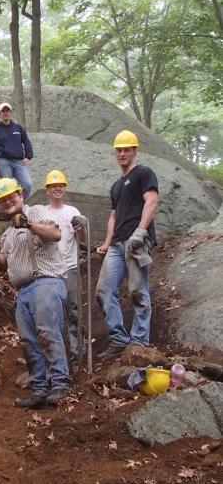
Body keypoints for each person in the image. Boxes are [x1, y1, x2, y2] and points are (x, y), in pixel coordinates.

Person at [0, 177, 71, 408]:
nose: (7, 202)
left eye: (11, 197)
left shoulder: (37, 212)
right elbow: (4, 265)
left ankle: (60, 384)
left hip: (45, 281)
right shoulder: (8, 233)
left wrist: (28, 224)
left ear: (21, 195)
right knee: (29, 341)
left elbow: (55, 234)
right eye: (2, 200)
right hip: (22, 291)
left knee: (47, 332)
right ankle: (40, 390)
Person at [96, 130, 159, 359]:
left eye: (127, 149)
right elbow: (113, 216)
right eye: (119, 149)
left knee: (137, 290)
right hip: (117, 244)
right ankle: (119, 340)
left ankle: (139, 342)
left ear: (135, 150)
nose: (122, 153)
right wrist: (106, 243)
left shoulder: (144, 173)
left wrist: (141, 231)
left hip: (137, 242)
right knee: (104, 290)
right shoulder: (116, 186)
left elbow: (151, 201)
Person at [44, 170, 88, 369]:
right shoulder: (43, 213)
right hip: (50, 270)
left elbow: (83, 241)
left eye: (60, 185)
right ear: (47, 190)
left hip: (70, 268)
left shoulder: (73, 212)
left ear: (65, 188)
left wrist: (82, 227)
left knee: (75, 312)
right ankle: (57, 360)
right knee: (54, 315)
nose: (57, 189)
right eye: (53, 186)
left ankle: (78, 356)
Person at [0, 102, 34, 199]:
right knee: (8, 188)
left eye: (7, 110)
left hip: (18, 161)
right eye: (3, 111)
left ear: (10, 112)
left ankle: (20, 205)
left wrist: (28, 156)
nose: (5, 113)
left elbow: (26, 142)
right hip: (3, 162)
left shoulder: (18, 128)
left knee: (27, 184)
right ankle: (10, 209)